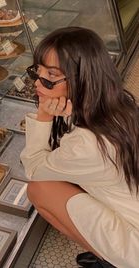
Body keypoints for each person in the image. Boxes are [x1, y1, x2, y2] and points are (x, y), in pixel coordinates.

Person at [20, 26, 139, 268]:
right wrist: (66, 114)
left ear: (82, 77)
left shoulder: (87, 143)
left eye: (51, 76)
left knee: (39, 190)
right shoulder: (122, 105)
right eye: (37, 70)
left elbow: (33, 167)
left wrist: (43, 115)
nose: (38, 83)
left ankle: (111, 260)